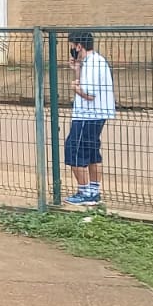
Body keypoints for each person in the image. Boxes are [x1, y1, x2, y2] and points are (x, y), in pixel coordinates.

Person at [64, 32, 116, 206]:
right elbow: (85, 85)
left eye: (73, 46)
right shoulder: (94, 61)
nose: (72, 50)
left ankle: (85, 192)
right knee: (92, 152)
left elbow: (90, 94)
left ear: (79, 46)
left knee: (74, 150)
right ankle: (93, 191)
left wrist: (75, 89)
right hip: (96, 114)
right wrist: (77, 69)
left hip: (87, 115)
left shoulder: (93, 64)